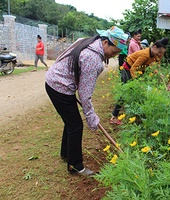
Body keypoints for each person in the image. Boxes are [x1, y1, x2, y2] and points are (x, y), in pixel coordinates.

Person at [45, 26, 128, 176]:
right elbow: (85, 95)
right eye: (114, 52)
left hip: (55, 79)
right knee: (76, 125)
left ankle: (66, 154)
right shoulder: (93, 60)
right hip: (59, 86)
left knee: (71, 122)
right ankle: (75, 166)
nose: (114, 56)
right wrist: (92, 118)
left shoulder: (87, 41)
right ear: (104, 42)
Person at [110, 38, 169, 124]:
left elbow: (153, 65)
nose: (160, 55)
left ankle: (134, 114)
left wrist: (158, 73)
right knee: (125, 92)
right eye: (159, 52)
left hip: (138, 71)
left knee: (138, 91)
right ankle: (114, 116)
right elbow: (133, 69)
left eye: (162, 53)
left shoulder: (154, 55)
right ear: (155, 47)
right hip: (127, 69)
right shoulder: (145, 54)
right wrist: (137, 82)